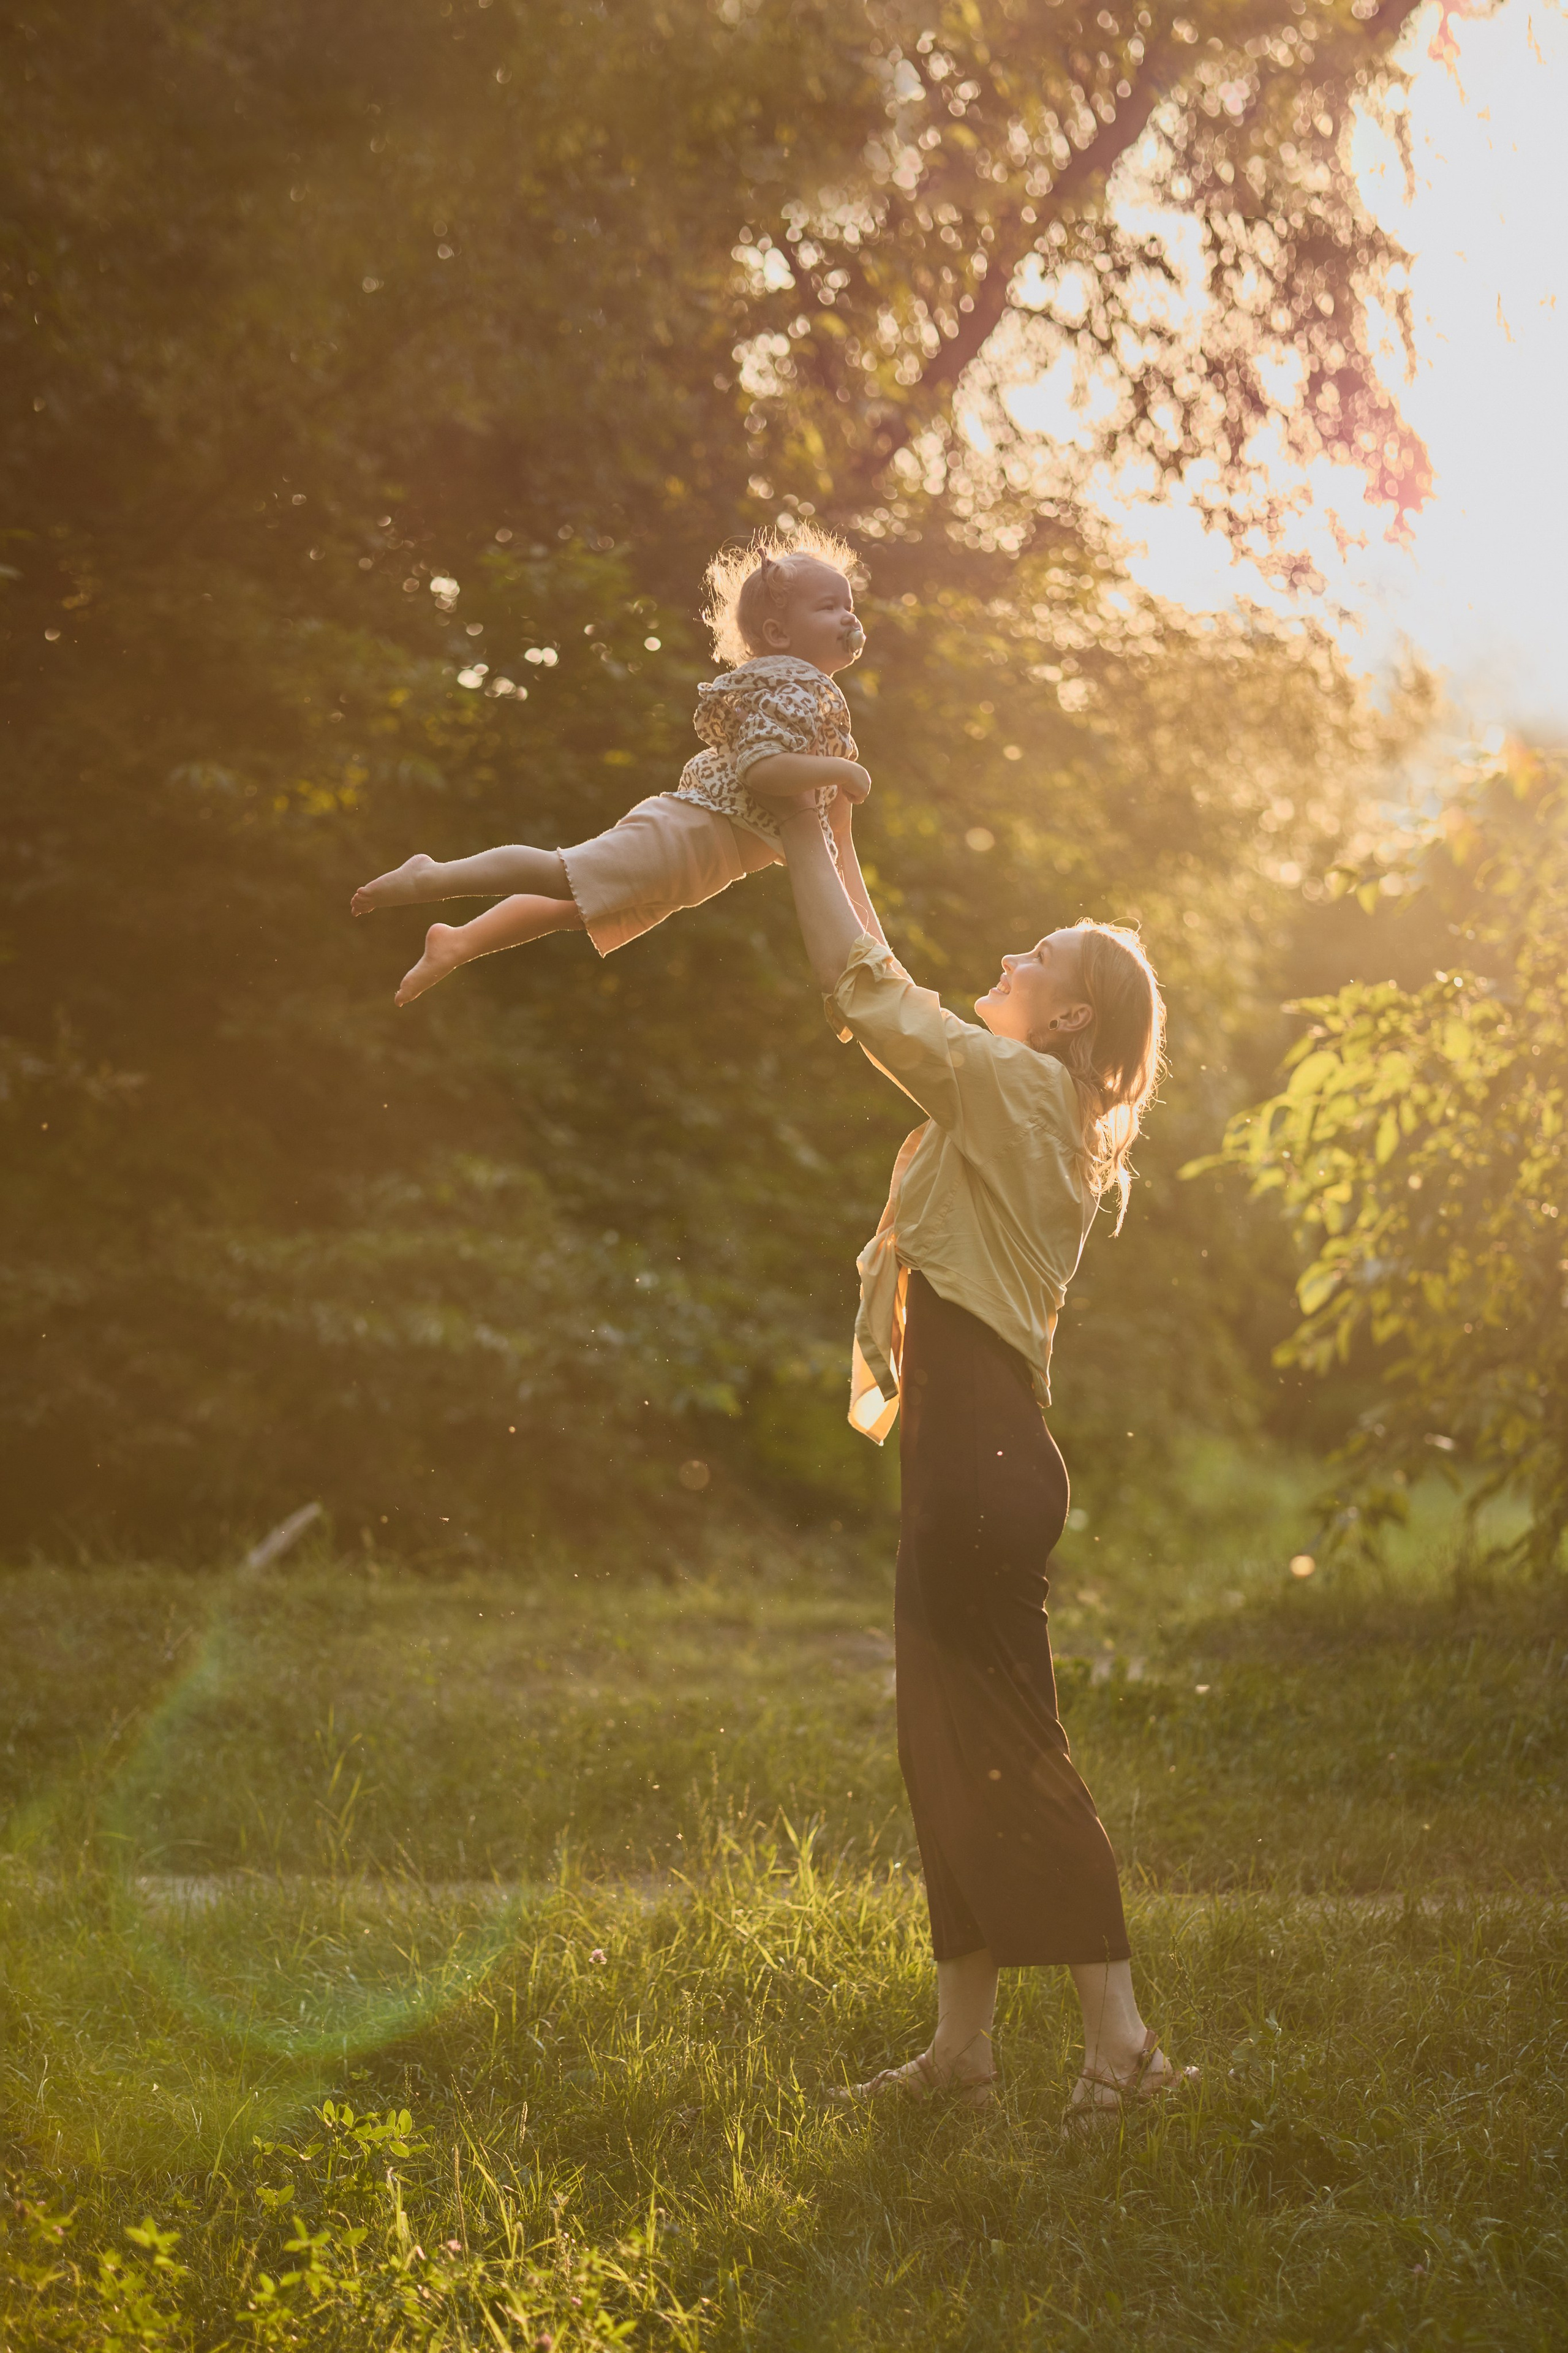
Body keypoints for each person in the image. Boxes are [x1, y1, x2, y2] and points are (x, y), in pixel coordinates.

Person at [778, 787, 1197, 2123]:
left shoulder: (1014, 1089)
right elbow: (886, 977)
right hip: (969, 1466)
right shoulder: (1019, 1098)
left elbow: (867, 989)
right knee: (944, 1748)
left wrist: (796, 832)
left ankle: (1121, 2049)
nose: (1006, 964)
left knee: (1009, 1752)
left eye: (1034, 960)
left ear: (1067, 1017)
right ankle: (961, 2055)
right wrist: (826, 821)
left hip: (979, 1471)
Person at [350, 529, 870, 1005]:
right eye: (829, 606)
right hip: (687, 839)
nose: (849, 617)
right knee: (560, 873)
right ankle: (432, 876)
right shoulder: (793, 690)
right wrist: (841, 773)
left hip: (700, 862)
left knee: (573, 907)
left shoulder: (812, 700)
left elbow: (837, 852)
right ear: (778, 634)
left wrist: (873, 959)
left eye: (849, 605)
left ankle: (459, 941)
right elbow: (764, 769)